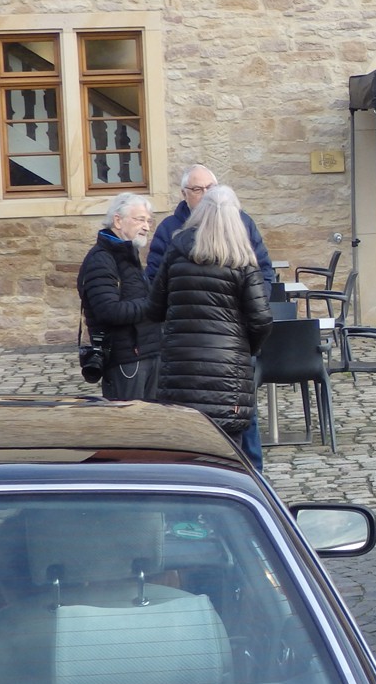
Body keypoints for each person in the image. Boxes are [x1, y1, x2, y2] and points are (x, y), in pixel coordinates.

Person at [147, 185, 274, 470]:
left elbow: (154, 307)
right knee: (229, 460)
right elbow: (261, 319)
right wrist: (245, 348)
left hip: (180, 370)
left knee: (185, 459)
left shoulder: (176, 250)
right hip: (227, 375)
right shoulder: (241, 258)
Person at [75, 193, 161, 400]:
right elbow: (109, 310)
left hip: (147, 354)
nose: (146, 227)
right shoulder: (101, 259)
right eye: (140, 219)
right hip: (125, 359)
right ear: (118, 220)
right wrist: (153, 305)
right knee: (128, 420)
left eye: (149, 221)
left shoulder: (128, 253)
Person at [146, 163, 276, 286]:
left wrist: (258, 299)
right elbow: (155, 277)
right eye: (197, 189)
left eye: (210, 187)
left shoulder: (242, 222)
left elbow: (263, 270)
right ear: (184, 194)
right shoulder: (168, 228)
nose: (206, 194)